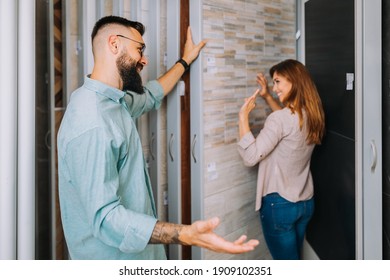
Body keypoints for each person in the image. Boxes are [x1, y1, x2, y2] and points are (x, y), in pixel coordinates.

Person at [57, 15, 259, 260]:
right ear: (114, 44)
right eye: (139, 49)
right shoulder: (92, 122)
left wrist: (185, 61)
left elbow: (151, 94)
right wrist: (185, 235)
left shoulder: (113, 103)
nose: (144, 59)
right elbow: (106, 218)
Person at [237, 59, 325, 260]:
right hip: (305, 203)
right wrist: (267, 96)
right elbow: (287, 124)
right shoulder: (312, 115)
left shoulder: (281, 119)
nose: (275, 87)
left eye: (277, 82)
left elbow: (250, 157)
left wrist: (243, 117)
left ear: (293, 81)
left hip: (280, 205)